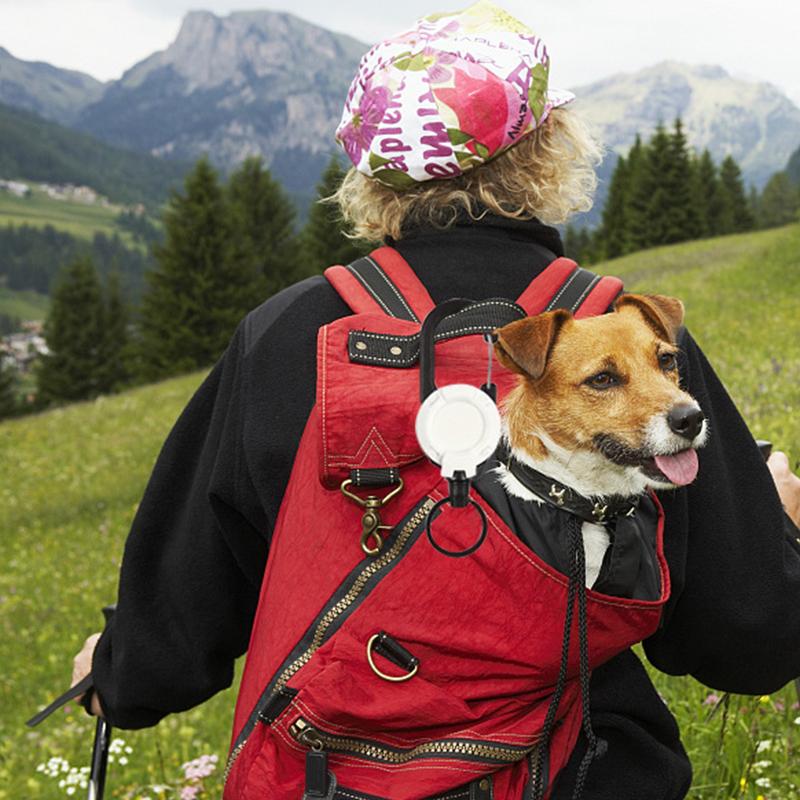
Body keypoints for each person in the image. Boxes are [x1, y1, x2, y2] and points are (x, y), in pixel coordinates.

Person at [72, 2, 800, 797]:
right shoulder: (627, 335)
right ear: (550, 148)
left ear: (372, 172)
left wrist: (118, 674)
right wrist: (779, 520)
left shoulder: (283, 337)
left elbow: (181, 609)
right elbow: (751, 641)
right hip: (579, 772)